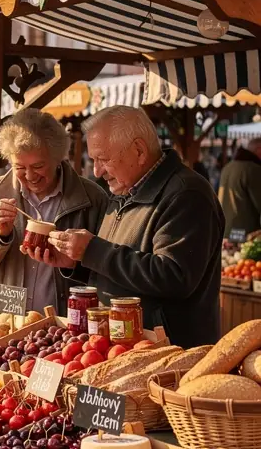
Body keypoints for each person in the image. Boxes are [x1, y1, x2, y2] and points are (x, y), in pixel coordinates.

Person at [45, 106, 224, 349]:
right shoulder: (123, 190)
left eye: (103, 159)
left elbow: (174, 277)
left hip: (169, 351)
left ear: (138, 150)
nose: (97, 171)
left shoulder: (186, 194)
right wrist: (76, 263)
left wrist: (93, 251)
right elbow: (122, 269)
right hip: (125, 345)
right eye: (93, 160)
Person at [0, 109, 109, 315]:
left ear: (57, 159)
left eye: (38, 166)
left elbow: (107, 271)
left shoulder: (92, 198)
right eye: (19, 167)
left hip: (63, 330)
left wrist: (74, 264)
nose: (29, 176)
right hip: (3, 327)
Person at [218, 139, 261, 237]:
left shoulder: (228, 167)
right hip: (247, 234)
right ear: (259, 149)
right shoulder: (253, 169)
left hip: (226, 231)